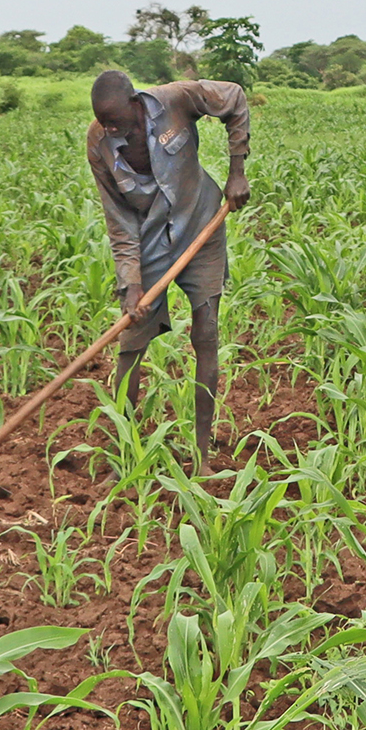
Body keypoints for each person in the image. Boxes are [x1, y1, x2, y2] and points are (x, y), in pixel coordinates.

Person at [86, 70, 250, 477]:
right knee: (131, 341)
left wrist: (236, 171)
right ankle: (126, 451)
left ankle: (203, 455)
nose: (110, 130)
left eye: (116, 122)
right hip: (150, 238)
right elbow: (119, 217)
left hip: (203, 226)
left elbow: (234, 99)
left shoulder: (175, 100)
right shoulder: (98, 143)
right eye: (103, 123)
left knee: (206, 334)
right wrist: (132, 282)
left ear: (135, 105)